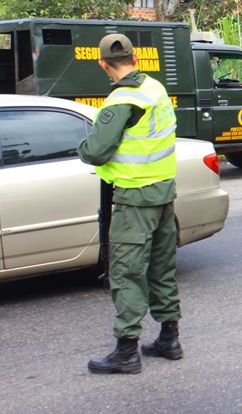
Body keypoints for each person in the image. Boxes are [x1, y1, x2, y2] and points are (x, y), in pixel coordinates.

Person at [79, 34, 182, 374]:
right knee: (161, 268)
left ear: (103, 63)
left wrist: (83, 146)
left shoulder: (121, 101)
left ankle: (126, 351)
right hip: (164, 195)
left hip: (135, 198)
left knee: (126, 273)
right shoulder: (155, 89)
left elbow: (95, 151)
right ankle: (169, 338)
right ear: (136, 58)